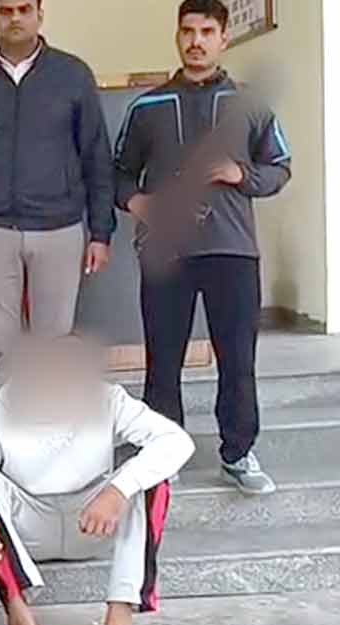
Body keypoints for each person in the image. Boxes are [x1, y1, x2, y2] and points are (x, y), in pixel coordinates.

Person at [114, 0, 291, 495]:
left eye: (207, 32)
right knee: (163, 357)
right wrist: (139, 203)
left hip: (232, 251)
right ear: (177, 36)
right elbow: (118, 173)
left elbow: (280, 167)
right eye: (188, 31)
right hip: (165, 250)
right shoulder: (145, 107)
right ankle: (161, 451)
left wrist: (241, 174)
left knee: (237, 357)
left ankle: (238, 451)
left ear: (223, 38)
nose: (196, 41)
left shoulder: (250, 103)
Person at [0, 336, 195, 625]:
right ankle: (18, 615)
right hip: (28, 531)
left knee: (152, 479)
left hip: (91, 522)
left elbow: (177, 442)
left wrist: (117, 491)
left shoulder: (107, 399)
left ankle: (121, 611)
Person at [0, 0, 116, 398]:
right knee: (0, 352)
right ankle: (1, 435)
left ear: (40, 14)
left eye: (24, 9)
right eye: (5, 10)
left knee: (53, 349)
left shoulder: (72, 75)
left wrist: (100, 232)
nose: (15, 18)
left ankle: (51, 431)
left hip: (59, 227)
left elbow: (96, 155)